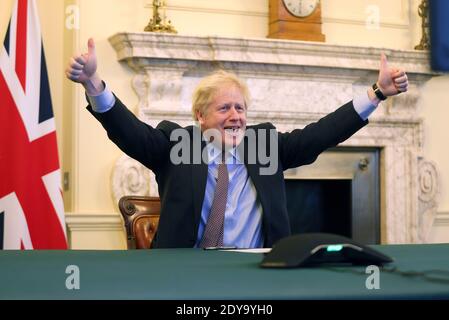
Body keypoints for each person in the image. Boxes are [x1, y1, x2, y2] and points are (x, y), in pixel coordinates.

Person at [66, 38, 409, 249]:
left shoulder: (266, 145)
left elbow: (321, 133)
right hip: (185, 272)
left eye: (240, 108)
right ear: (200, 116)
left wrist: (376, 94)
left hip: (258, 272)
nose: (235, 116)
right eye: (224, 107)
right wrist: (94, 84)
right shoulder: (176, 143)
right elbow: (130, 132)